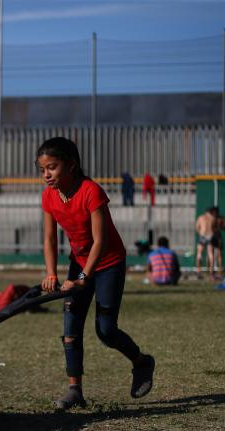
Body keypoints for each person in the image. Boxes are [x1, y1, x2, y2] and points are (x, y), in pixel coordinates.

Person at [37, 136, 155, 411]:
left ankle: (142, 362)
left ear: (71, 166)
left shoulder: (91, 191)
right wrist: (52, 273)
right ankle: (74, 390)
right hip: (79, 264)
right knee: (70, 330)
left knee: (106, 330)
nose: (46, 175)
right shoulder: (49, 196)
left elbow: (100, 242)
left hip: (107, 263)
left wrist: (83, 278)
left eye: (52, 167)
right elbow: (49, 239)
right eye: (42, 169)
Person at [195, 206, 218, 279]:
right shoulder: (213, 218)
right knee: (210, 254)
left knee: (199, 254)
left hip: (202, 235)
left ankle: (199, 271)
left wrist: (200, 233)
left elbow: (197, 227)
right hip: (210, 236)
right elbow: (215, 229)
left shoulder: (201, 217)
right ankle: (211, 271)